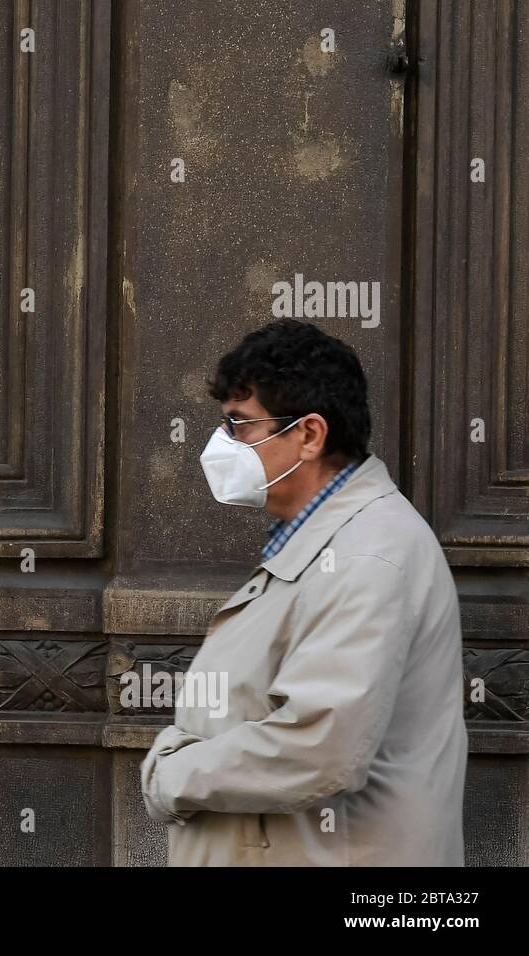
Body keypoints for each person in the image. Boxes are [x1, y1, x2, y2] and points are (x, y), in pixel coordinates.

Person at [140, 319, 467, 865]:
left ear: (309, 435)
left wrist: (172, 774)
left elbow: (322, 747)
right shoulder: (326, 541)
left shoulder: (367, 554)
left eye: (239, 424)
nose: (224, 445)